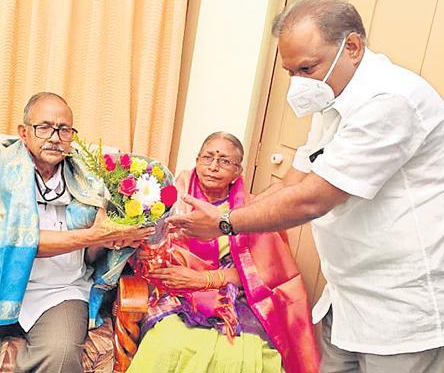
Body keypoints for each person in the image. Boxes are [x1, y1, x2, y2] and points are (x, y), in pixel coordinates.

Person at [168, 0, 444, 373]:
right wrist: (224, 211)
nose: (298, 84)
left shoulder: (390, 101)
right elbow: (295, 179)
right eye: (291, 72)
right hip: (352, 300)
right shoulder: (333, 100)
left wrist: (225, 224)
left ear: (352, 46)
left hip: (411, 309)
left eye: (306, 69)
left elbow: (314, 199)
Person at [0, 92, 154, 372]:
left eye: (64, 129)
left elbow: (92, 256)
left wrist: (112, 242)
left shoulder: (89, 180)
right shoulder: (0, 172)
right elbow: (19, 241)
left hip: (60, 288)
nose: (55, 137)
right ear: (24, 133)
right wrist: (96, 235)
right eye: (44, 127)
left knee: (58, 357)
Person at [127, 132, 320, 373]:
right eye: (207, 157)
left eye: (225, 161)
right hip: (178, 294)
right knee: (168, 343)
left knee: (248, 355)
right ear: (196, 161)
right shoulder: (170, 202)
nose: (214, 167)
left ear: (238, 171)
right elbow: (148, 254)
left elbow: (266, 273)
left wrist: (207, 279)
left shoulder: (250, 212)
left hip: (236, 298)